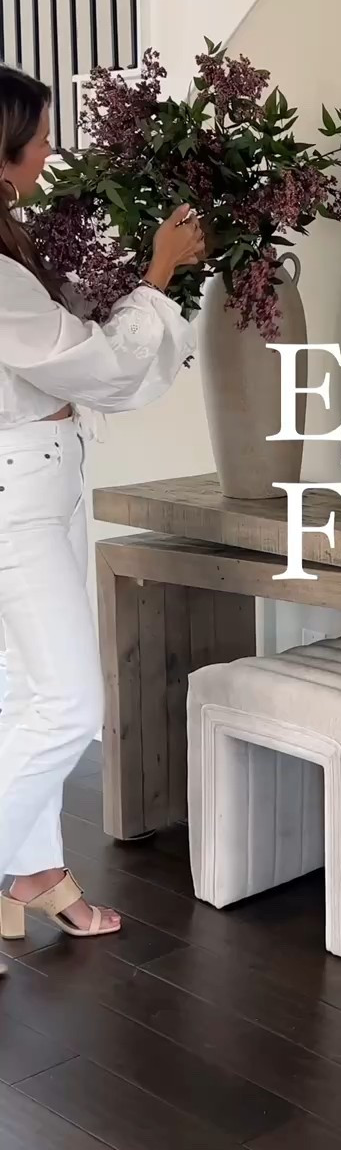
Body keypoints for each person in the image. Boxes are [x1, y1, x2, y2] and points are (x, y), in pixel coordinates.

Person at [0, 66, 205, 961]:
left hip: (29, 485)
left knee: (17, 697)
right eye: (39, 135)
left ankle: (36, 874)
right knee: (69, 701)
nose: (51, 150)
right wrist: (160, 273)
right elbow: (95, 365)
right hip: (18, 498)